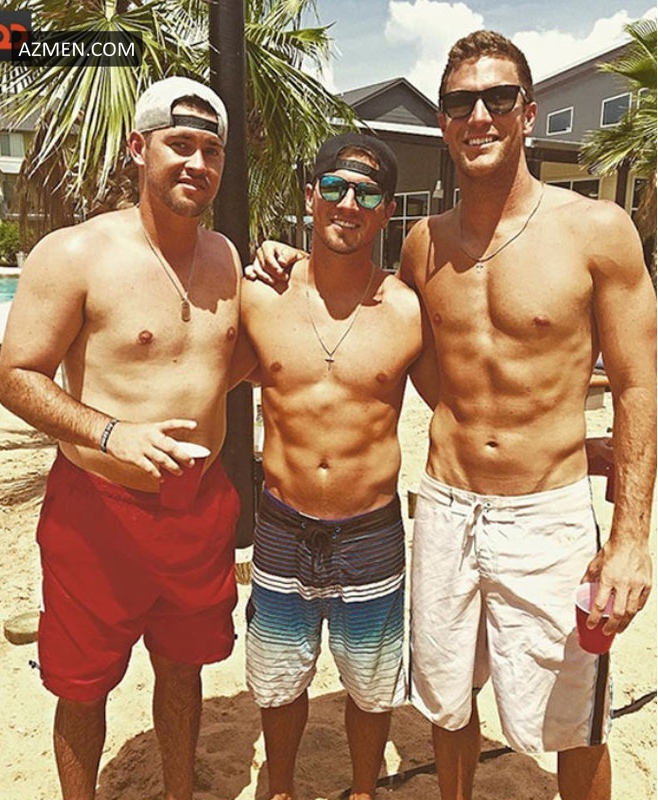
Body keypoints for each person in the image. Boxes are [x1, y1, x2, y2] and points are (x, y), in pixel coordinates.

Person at [249, 31, 656, 800]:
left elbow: (639, 384)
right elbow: (410, 354)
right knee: (445, 697)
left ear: (528, 112)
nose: (479, 115)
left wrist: (632, 537)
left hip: (547, 513)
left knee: (576, 716)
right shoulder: (423, 245)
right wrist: (289, 261)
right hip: (445, 505)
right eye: (460, 102)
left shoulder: (596, 231)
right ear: (442, 122)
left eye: (498, 98)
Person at [0, 77, 243, 800]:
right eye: (179, 144)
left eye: (211, 150)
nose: (197, 162)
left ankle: (178, 791)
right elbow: (16, 378)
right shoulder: (75, 253)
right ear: (139, 148)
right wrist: (111, 432)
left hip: (198, 506)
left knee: (183, 666)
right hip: (99, 509)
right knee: (82, 683)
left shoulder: (228, 260)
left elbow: (234, 362)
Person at [237, 133, 423, 800]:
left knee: (372, 686)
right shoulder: (260, 295)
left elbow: (475, 392)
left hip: (370, 531)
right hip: (282, 524)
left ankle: (365, 790)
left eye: (367, 194)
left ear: (387, 211)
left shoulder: (407, 309)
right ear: (311, 194)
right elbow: (186, 361)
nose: (349, 203)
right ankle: (282, 789)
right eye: (336, 187)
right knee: (277, 678)